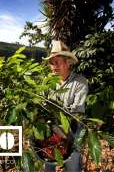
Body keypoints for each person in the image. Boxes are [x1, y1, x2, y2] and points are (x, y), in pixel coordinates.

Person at [44, 40, 88, 172]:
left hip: (72, 134)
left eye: (57, 62)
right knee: (48, 165)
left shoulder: (80, 82)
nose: (53, 67)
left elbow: (76, 113)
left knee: (72, 167)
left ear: (68, 62)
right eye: (51, 63)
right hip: (51, 133)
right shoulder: (48, 82)